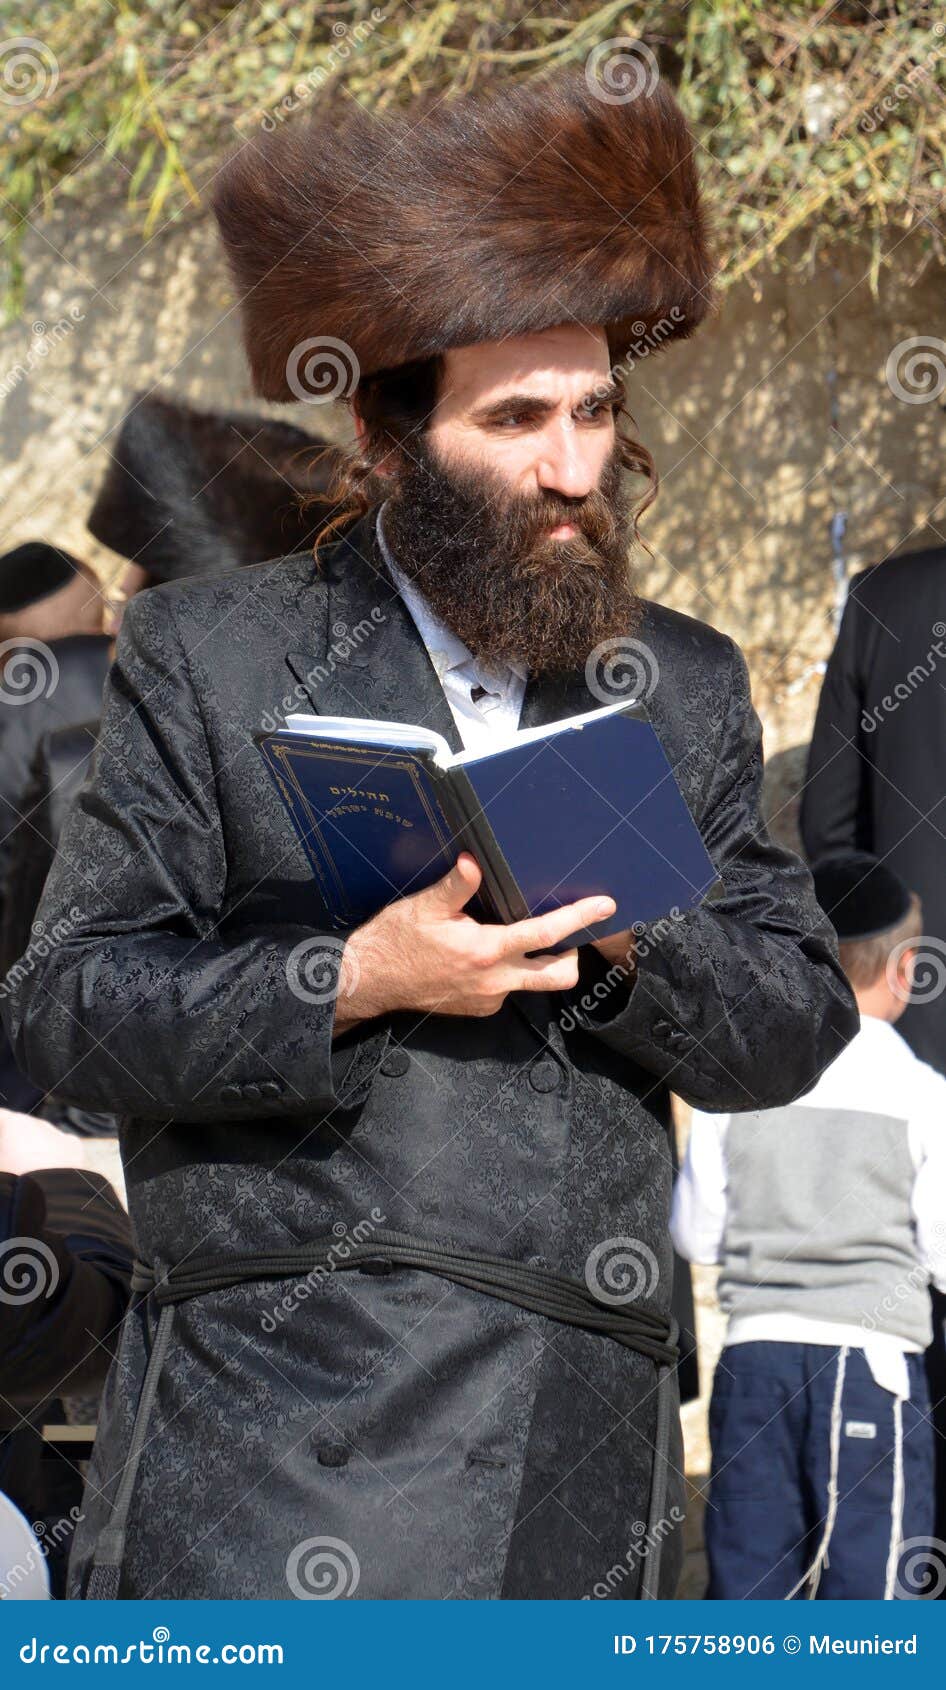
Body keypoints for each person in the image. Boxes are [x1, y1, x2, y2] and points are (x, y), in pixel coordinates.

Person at [3, 68, 857, 1601]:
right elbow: (69, 1011)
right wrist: (351, 978)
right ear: (385, 439)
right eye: (516, 418)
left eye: (594, 409)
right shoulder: (217, 655)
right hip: (276, 1433)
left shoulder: (678, 682)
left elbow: (788, 1019)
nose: (574, 468)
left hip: (582, 1447)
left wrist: (626, 929)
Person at [672, 852, 946, 1599]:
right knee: (872, 1606)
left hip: (753, 1367)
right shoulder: (924, 1095)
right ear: (906, 969)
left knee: (750, 1600)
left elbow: (695, 1237)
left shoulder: (743, 1085)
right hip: (870, 1368)